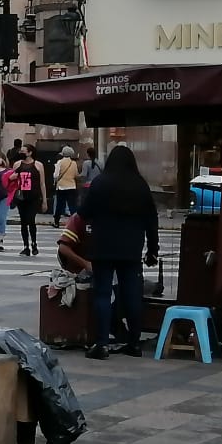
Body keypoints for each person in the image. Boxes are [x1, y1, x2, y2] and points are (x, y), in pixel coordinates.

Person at [78, 145, 159, 360]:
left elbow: (83, 212)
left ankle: (102, 343)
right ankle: (134, 343)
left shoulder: (100, 183)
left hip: (103, 246)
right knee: (132, 294)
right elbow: (152, 220)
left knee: (103, 293)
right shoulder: (140, 185)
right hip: (131, 248)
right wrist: (153, 249)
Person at [11, 144, 47, 257]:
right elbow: (11, 180)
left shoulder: (38, 165)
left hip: (34, 196)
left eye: (24, 151)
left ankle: (34, 243)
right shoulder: (17, 164)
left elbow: (42, 183)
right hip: (21, 196)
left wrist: (44, 200)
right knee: (23, 222)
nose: (21, 152)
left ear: (30, 152)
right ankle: (25, 246)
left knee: (31, 220)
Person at [52, 146, 79, 227]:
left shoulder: (60, 162)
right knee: (72, 206)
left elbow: (55, 175)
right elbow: (76, 174)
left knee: (60, 205)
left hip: (61, 187)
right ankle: (75, 223)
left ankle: (56, 222)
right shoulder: (74, 163)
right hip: (72, 186)